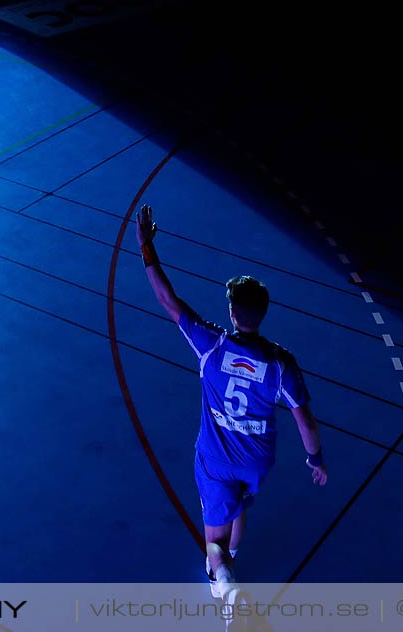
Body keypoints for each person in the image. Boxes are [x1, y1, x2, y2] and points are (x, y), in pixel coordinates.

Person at [136, 204, 327, 604]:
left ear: (232, 312)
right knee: (240, 505)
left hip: (216, 459)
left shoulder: (211, 346)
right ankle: (231, 562)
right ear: (263, 313)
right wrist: (314, 460)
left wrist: (147, 247)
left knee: (213, 541)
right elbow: (306, 423)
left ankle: (223, 582)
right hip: (257, 460)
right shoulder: (281, 363)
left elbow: (167, 300)